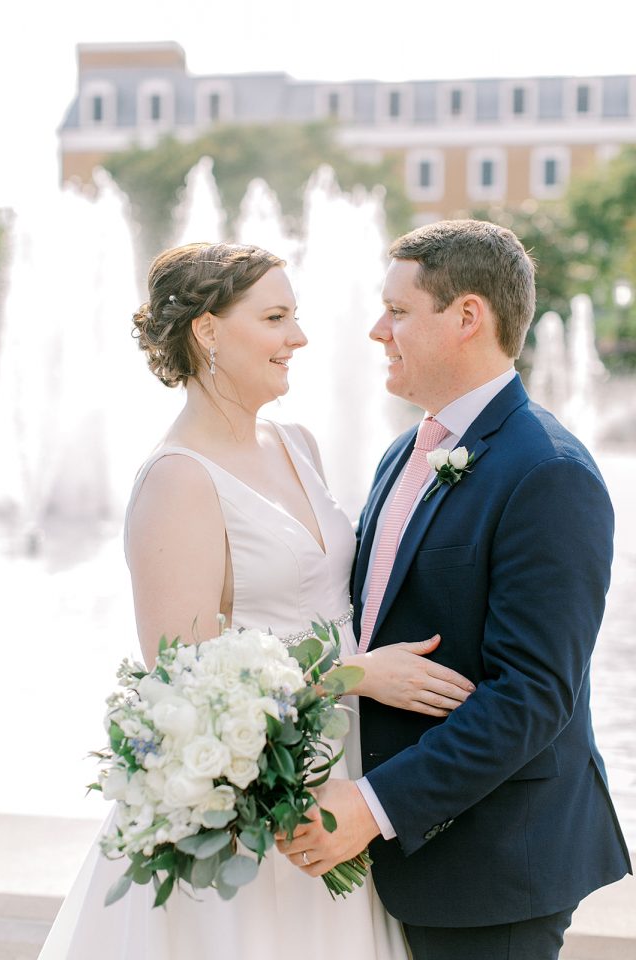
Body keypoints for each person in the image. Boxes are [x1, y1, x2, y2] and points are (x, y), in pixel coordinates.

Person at [37, 241, 478, 960]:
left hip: (339, 780)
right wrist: (355, 675)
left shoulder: (297, 442)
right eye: (275, 318)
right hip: (250, 803)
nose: (298, 337)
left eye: (295, 316)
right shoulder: (178, 480)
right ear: (207, 330)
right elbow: (184, 684)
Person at [279, 220, 632, 960]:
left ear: (468, 316)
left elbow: (532, 695)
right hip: (395, 861)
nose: (378, 330)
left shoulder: (549, 473)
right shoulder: (404, 453)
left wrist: (372, 807)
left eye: (399, 311)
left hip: (493, 869)